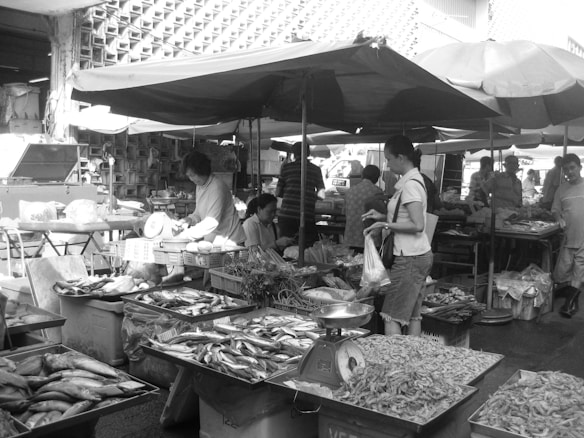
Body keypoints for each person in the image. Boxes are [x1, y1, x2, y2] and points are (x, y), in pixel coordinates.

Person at [362, 135, 433, 337]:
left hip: (410, 257)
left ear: (401, 158)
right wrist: (384, 216)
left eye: (389, 159)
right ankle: (412, 360)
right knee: (412, 314)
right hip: (418, 254)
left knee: (391, 315)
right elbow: (407, 215)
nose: (388, 164)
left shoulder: (410, 185)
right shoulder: (412, 181)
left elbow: (418, 224)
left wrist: (385, 223)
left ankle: (396, 361)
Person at [176, 150, 245, 244]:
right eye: (189, 176)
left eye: (192, 175)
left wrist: (185, 236)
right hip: (216, 240)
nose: (191, 179)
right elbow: (198, 214)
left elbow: (211, 222)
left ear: (202, 170)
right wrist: (188, 220)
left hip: (230, 241)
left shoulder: (217, 188)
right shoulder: (200, 186)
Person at [551, 153, 584, 318]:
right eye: (566, 169)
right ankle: (572, 296)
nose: (569, 172)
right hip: (567, 236)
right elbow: (555, 209)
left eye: (572, 168)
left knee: (579, 269)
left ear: (580, 167)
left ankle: (568, 304)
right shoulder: (561, 189)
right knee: (562, 271)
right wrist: (558, 218)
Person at [276, 141, 325, 247]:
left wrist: (291, 192)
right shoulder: (316, 170)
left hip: (287, 216)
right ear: (308, 153)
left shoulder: (286, 168)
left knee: (286, 248)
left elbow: (278, 192)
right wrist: (310, 196)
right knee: (307, 248)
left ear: (294, 153)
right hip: (306, 215)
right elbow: (322, 194)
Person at [343, 165, 383, 250]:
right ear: (376, 178)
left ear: (362, 175)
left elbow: (344, 212)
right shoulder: (377, 192)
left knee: (354, 262)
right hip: (370, 238)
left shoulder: (349, 191)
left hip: (351, 237)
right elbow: (382, 216)